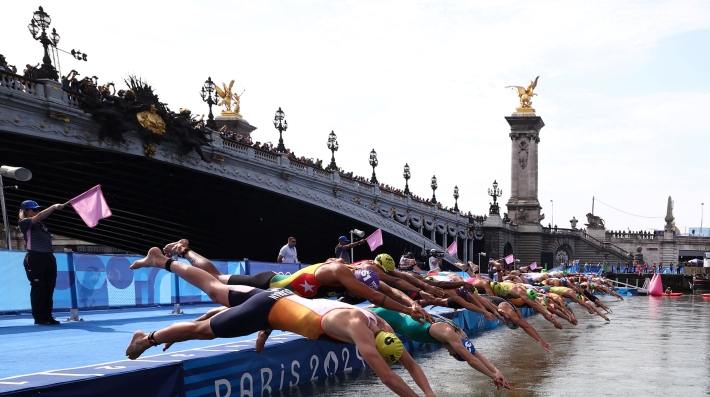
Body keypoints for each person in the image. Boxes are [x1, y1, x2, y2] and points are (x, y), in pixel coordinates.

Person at [125, 287, 437, 397]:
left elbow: (406, 363)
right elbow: (387, 375)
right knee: (203, 330)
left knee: (217, 315)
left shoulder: (380, 326)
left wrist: (429, 394)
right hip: (269, 308)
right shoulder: (360, 327)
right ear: (373, 343)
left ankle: (222, 311)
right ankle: (148, 338)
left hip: (280, 306)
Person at [368, 307, 511, 390]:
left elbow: (475, 354)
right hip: (386, 315)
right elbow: (471, 360)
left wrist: (496, 371)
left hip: (392, 317)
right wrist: (492, 376)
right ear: (457, 348)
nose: (450, 355)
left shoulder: (461, 334)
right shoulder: (449, 333)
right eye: (455, 355)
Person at [18, 200, 65, 325]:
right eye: (34, 209)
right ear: (26, 211)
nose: (37, 212)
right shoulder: (24, 223)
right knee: (38, 287)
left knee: (49, 288)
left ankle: (47, 315)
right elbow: (40, 216)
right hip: (35, 257)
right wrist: (54, 206)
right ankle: (39, 317)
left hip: (48, 257)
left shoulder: (41, 226)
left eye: (38, 209)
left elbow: (40, 217)